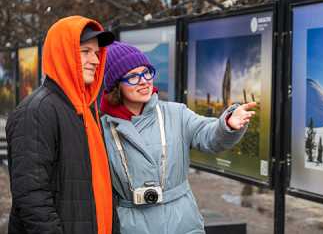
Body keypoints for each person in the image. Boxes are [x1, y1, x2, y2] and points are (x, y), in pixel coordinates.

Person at [100, 41, 257, 234]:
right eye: (133, 76)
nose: (143, 81)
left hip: (182, 223)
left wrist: (227, 125)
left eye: (146, 72)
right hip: (130, 226)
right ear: (115, 85)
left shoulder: (175, 113)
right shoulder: (102, 129)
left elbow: (208, 135)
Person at [6, 16, 118, 234]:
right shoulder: (37, 111)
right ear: (62, 54)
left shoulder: (87, 110)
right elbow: (32, 198)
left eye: (96, 53)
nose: (95, 60)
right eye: (85, 52)